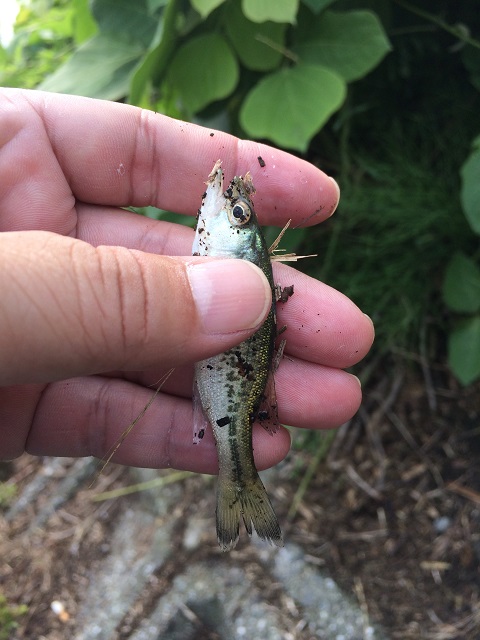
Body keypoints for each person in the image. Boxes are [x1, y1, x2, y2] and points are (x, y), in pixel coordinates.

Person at [0, 88, 374, 474]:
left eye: (238, 213)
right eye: (241, 212)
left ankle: (236, 475)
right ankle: (238, 474)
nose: (229, 206)